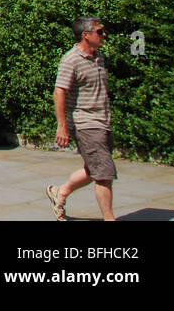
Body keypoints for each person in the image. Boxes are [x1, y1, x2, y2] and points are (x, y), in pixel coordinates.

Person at [47, 16, 116, 221]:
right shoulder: (71, 60)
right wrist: (62, 127)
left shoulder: (98, 56)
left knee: (93, 168)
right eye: (99, 32)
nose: (104, 35)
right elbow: (59, 92)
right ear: (86, 35)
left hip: (103, 121)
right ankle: (109, 219)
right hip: (85, 123)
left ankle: (61, 192)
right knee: (104, 174)